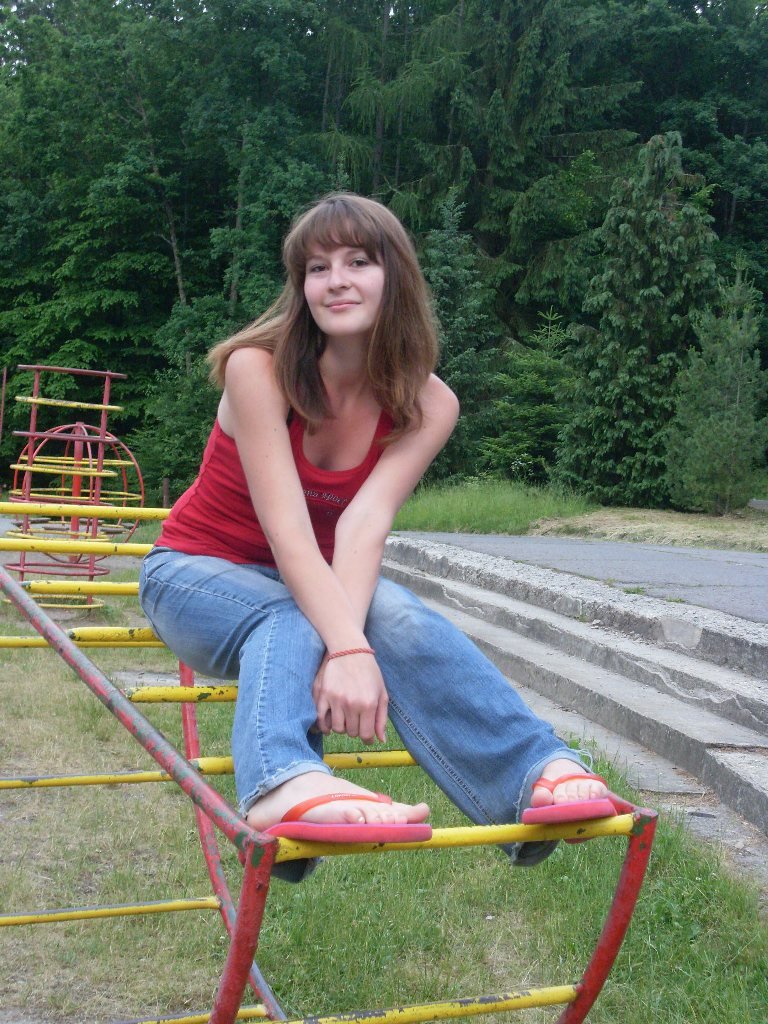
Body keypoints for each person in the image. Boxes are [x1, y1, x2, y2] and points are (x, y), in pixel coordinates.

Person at [138, 193, 609, 878]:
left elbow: (363, 525)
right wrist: (347, 647)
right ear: (301, 287)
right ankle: (279, 785)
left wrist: (353, 646)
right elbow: (289, 532)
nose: (336, 280)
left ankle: (532, 772)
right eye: (317, 267)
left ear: (396, 275)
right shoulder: (256, 368)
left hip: (307, 583)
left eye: (358, 261)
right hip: (193, 573)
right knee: (295, 617)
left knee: (401, 618)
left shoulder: (429, 402)